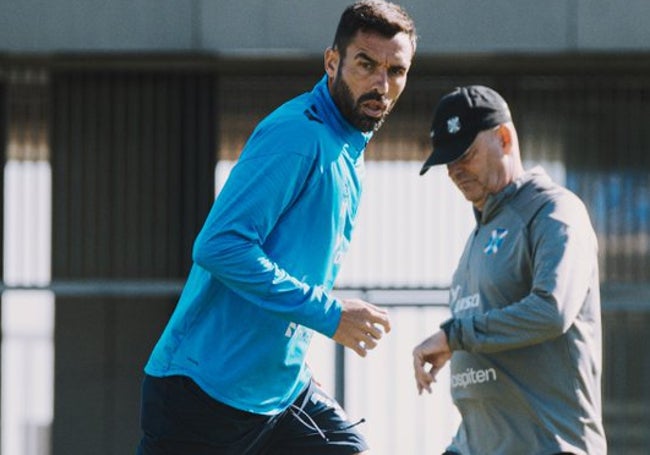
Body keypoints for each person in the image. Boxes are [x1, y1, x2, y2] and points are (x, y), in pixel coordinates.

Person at [137, 2, 416, 454]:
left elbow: (295, 262)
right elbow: (220, 246)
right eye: (366, 64)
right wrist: (328, 315)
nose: (381, 84)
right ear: (332, 62)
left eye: (396, 70)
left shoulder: (346, 147)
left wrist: (294, 358)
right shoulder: (298, 135)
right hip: (202, 397)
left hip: (280, 394)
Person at [413, 85, 607, 454]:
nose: (454, 171)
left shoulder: (554, 212)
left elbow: (552, 311)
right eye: (446, 161)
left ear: (503, 138)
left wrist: (455, 337)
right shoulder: (476, 238)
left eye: (465, 154)